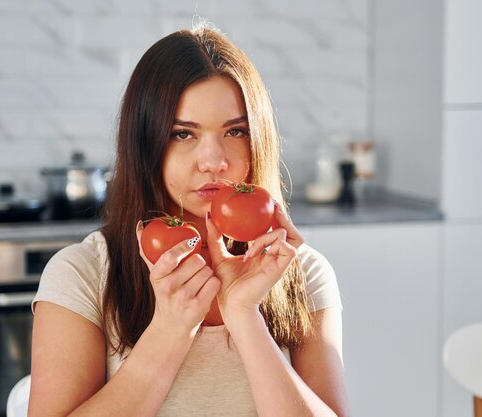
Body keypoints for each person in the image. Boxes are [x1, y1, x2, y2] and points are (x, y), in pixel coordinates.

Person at [29, 22, 349, 417]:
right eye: (183, 134)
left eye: (235, 132)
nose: (214, 161)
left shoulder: (306, 274)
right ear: (145, 145)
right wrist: (171, 328)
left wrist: (245, 317)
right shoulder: (82, 275)